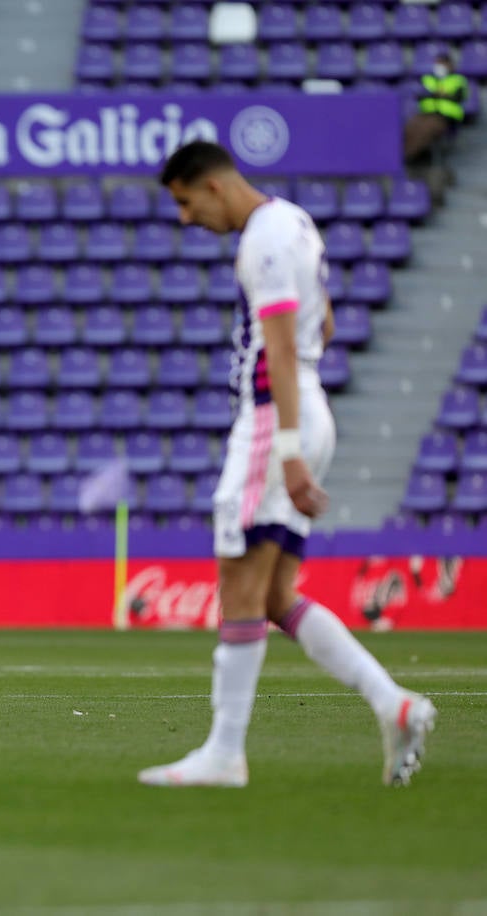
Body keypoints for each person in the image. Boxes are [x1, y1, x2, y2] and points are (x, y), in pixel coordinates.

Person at [137, 141, 436, 789]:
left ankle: (224, 753)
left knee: (238, 586)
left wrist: (289, 450)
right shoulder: (296, 222)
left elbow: (278, 343)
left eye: (186, 203)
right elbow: (321, 324)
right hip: (310, 403)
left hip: (277, 420)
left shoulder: (261, 243)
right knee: (275, 596)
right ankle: (394, 704)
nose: (187, 220)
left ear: (212, 187)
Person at [404, 52, 468, 164]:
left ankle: (408, 157)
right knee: (410, 126)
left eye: (442, 63)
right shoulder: (427, 78)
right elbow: (419, 94)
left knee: (426, 129)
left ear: (450, 64)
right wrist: (438, 94)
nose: (439, 66)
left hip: (446, 117)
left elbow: (459, 97)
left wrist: (437, 94)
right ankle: (411, 156)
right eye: (437, 63)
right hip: (425, 114)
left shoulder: (458, 80)